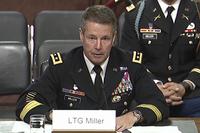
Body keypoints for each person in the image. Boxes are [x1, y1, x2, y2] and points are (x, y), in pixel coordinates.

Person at [16, 5, 169, 132]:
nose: (98, 46)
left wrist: (134, 116)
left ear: (114, 38)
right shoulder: (62, 66)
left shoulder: (130, 64)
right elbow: (25, 102)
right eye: (92, 38)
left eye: (105, 39)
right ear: (81, 36)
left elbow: (159, 103)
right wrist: (52, 116)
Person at [120, 0, 200, 116]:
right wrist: (156, 86)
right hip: (147, 96)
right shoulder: (136, 14)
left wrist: (185, 85)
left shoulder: (197, 12)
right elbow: (129, 60)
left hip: (191, 96)